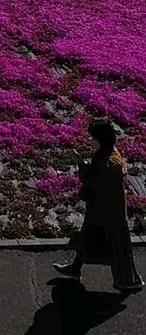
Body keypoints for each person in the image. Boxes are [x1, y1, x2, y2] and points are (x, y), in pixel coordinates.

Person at [54, 119, 144, 295]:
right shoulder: (106, 153)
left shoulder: (108, 163)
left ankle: (129, 282)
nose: (90, 140)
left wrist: (81, 163)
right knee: (88, 237)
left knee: (118, 249)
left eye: (92, 137)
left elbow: (93, 180)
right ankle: (75, 269)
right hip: (101, 209)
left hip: (110, 213)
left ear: (100, 139)